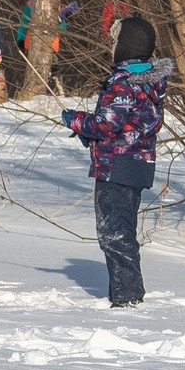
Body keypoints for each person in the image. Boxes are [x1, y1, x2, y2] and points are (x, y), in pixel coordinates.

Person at [63, 17, 168, 309]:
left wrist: (77, 121)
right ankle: (126, 290)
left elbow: (106, 125)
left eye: (115, 41)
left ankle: (127, 296)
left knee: (114, 233)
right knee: (123, 229)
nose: (111, 47)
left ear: (126, 45)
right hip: (136, 165)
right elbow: (131, 124)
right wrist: (93, 137)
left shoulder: (121, 83)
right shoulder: (148, 81)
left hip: (116, 168)